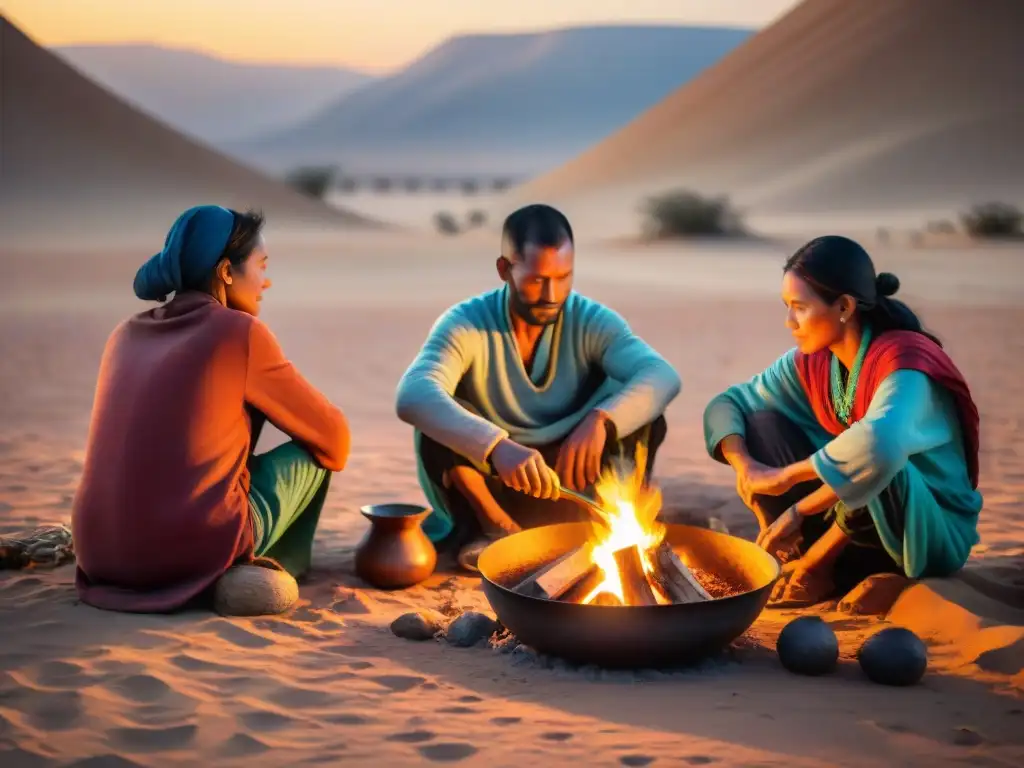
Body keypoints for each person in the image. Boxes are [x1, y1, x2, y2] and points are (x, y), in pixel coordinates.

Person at [72, 205, 350, 612]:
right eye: (261, 265)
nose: (266, 281)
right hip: (182, 556)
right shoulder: (238, 333)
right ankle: (279, 569)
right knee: (315, 454)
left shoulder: (124, 333)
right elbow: (336, 440)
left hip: (98, 557)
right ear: (225, 272)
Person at [396, 203, 681, 569]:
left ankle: (603, 527)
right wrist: (496, 446)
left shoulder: (591, 319)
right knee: (438, 419)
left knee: (643, 415)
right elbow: (413, 395)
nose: (552, 294)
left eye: (564, 277)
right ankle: (496, 532)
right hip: (496, 484)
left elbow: (662, 375)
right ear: (505, 269)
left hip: (575, 481)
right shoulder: (466, 322)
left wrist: (601, 421)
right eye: (536, 279)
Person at [703, 235, 981, 607]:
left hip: (923, 535)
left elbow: (878, 448)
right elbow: (729, 403)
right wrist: (747, 467)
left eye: (800, 308)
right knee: (760, 421)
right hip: (852, 522)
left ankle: (820, 568)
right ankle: (820, 560)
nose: (789, 322)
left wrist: (792, 492)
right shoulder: (814, 360)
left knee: (877, 455)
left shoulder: (906, 363)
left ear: (845, 306)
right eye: (786, 307)